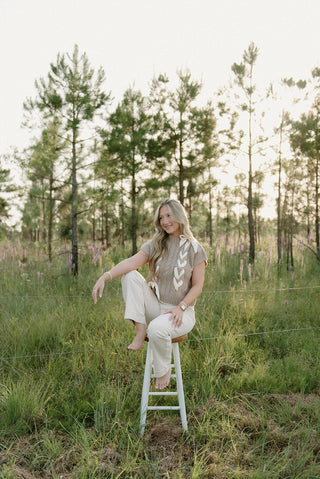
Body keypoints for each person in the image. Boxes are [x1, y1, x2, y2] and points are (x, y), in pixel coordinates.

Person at [92, 198, 207, 390]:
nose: (165, 221)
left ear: (180, 216)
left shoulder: (195, 249)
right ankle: (140, 328)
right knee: (130, 276)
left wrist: (181, 307)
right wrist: (105, 276)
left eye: (169, 215)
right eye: (161, 217)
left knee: (157, 330)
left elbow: (198, 286)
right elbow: (130, 263)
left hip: (180, 312)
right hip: (155, 305)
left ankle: (163, 370)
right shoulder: (156, 244)